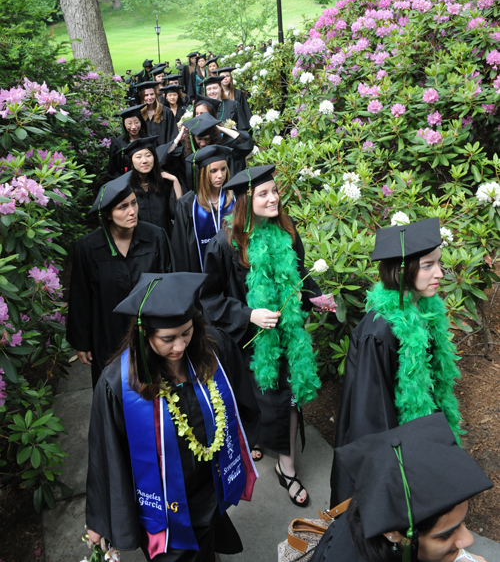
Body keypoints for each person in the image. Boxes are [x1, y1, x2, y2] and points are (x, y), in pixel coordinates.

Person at [85, 272, 260, 562]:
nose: (179, 347)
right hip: (162, 501)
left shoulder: (211, 348)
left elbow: (241, 402)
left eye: (186, 333)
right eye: (167, 339)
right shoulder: (119, 382)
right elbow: (105, 451)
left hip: (209, 486)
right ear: (144, 335)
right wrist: (98, 518)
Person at [200, 165, 322, 506]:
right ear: (245, 201)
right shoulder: (225, 244)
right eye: (263, 194)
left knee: (288, 395)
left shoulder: (287, 231)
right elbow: (208, 298)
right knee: (256, 399)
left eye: (274, 191)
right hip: (248, 341)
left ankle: (287, 467)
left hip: (287, 334)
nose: (273, 198)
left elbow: (300, 277)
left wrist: (317, 297)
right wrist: (248, 314)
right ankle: (254, 440)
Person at [330, 217, 463, 507]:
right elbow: (372, 416)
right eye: (428, 266)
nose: (439, 273)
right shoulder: (378, 331)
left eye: (439, 263)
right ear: (402, 270)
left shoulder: (424, 306)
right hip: (389, 445)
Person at [311, 413, 492, 562]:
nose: (468, 539)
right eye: (445, 535)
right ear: (392, 533)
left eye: (462, 523)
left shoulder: (384, 517)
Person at [66, 172, 174, 387]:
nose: (132, 211)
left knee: (157, 389)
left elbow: (169, 284)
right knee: (114, 389)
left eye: (134, 203)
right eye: (122, 207)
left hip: (151, 332)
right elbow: (80, 297)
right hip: (107, 332)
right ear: (107, 214)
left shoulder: (156, 237)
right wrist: (81, 342)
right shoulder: (89, 248)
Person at [172, 145, 235, 273]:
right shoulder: (187, 204)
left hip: (233, 272)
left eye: (223, 169)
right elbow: (181, 250)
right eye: (213, 171)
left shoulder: (234, 198)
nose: (220, 175)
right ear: (202, 174)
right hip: (200, 274)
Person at [124, 136, 182, 237]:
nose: (144, 161)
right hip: (141, 243)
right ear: (131, 162)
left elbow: (179, 210)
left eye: (148, 155)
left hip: (166, 239)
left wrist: (175, 181)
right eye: (138, 157)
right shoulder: (126, 188)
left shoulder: (163, 182)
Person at [182, 113, 253, 186]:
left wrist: (220, 128)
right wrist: (179, 136)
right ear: (193, 138)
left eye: (206, 139)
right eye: (199, 139)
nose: (202, 143)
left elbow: (245, 142)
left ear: (212, 137)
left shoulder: (222, 150)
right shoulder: (189, 152)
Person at [107, 104, 147, 179]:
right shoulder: (117, 143)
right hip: (124, 183)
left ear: (141, 122)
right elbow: (113, 170)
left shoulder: (148, 140)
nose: (134, 127)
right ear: (124, 125)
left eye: (136, 122)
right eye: (129, 123)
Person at [137, 81, 178, 146]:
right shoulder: (139, 114)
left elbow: (172, 134)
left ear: (156, 95)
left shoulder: (166, 112)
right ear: (142, 97)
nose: (149, 97)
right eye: (146, 95)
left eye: (152, 94)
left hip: (164, 152)